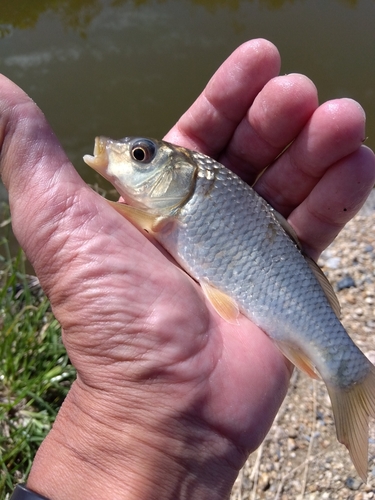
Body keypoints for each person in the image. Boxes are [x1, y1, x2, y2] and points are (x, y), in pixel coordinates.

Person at [2, 38, 375, 500]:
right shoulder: (156, 211)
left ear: (184, 176)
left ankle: (351, 373)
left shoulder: (162, 211)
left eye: (140, 156)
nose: (121, 155)